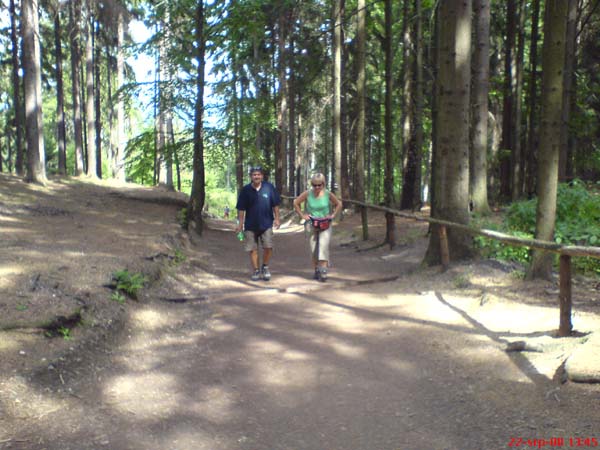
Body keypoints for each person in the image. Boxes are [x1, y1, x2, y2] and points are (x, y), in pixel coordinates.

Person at [293, 173, 342, 281]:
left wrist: (333, 215)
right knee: (314, 249)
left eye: (319, 185)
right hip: (311, 224)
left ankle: (323, 270)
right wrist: (302, 215)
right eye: (314, 185)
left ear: (323, 184)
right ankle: (316, 269)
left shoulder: (328, 194)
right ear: (312, 184)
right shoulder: (307, 193)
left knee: (323, 246)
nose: (317, 187)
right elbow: (296, 203)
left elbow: (339, 204)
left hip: (325, 223)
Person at [235, 166, 281, 281]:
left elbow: (275, 204)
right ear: (251, 176)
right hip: (250, 225)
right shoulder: (245, 190)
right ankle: (256, 270)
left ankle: (265, 266)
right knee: (252, 249)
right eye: (254, 174)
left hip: (266, 224)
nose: (256, 176)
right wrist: (240, 224)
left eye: (258, 174)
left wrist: (277, 219)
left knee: (268, 247)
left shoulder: (269, 188)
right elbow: (241, 209)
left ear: (262, 176)